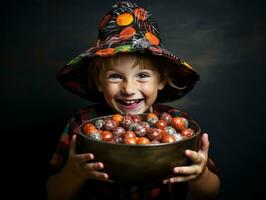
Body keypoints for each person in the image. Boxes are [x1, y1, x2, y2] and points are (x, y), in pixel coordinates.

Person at [47, 1, 220, 199]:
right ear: (99, 82)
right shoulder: (81, 124)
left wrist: (200, 175)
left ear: (161, 80)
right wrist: (73, 174)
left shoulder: (180, 126)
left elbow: (211, 193)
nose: (129, 89)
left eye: (143, 75)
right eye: (115, 76)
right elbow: (53, 194)